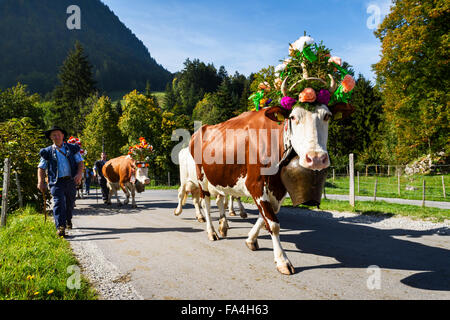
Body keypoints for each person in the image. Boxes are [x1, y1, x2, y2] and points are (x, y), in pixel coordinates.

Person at [37, 126, 84, 237]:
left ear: (63, 136)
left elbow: (80, 162)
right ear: (50, 137)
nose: (56, 136)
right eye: (54, 135)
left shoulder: (72, 148)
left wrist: (79, 174)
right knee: (58, 203)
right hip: (56, 182)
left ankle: (68, 219)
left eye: (58, 134)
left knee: (70, 203)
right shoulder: (47, 152)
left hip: (70, 181)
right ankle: (60, 227)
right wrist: (40, 181)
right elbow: (41, 167)